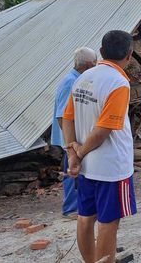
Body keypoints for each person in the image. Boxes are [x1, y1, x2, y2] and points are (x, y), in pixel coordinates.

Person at [62, 30, 137, 263]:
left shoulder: (82, 78)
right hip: (112, 167)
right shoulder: (119, 83)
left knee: (85, 218)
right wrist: (80, 152)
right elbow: (103, 130)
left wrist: (73, 155)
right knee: (108, 222)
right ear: (130, 55)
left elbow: (67, 118)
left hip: (87, 167)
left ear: (102, 52)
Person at [51, 47, 98, 217]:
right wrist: (70, 145)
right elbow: (63, 116)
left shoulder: (77, 80)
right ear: (86, 65)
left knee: (77, 171)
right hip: (70, 139)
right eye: (94, 64)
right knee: (73, 172)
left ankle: (77, 206)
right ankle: (71, 209)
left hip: (74, 139)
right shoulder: (70, 82)